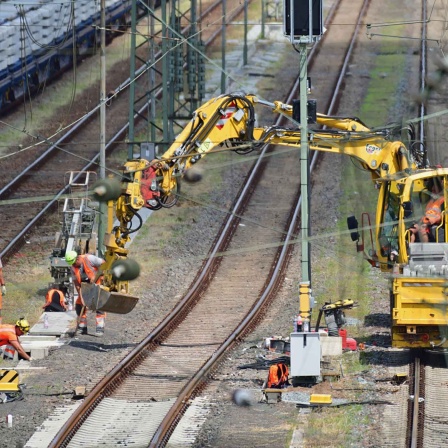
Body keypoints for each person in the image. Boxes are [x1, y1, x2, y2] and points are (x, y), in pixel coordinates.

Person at [65, 251, 106, 336]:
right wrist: (82, 297)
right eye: (72, 264)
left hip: (98, 285)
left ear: (78, 258)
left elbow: (104, 264)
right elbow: (77, 284)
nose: (74, 265)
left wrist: (96, 275)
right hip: (85, 287)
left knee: (99, 304)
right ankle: (82, 327)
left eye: (75, 263)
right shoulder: (73, 268)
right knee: (79, 305)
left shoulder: (89, 258)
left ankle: (100, 327)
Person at [410, 177, 445, 243]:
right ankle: (408, 249)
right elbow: (426, 214)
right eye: (432, 189)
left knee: (422, 229)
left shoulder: (444, 200)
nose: (433, 190)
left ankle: (425, 250)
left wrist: (426, 222)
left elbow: (440, 216)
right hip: (426, 222)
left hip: (436, 224)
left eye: (435, 189)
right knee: (410, 230)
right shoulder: (431, 201)